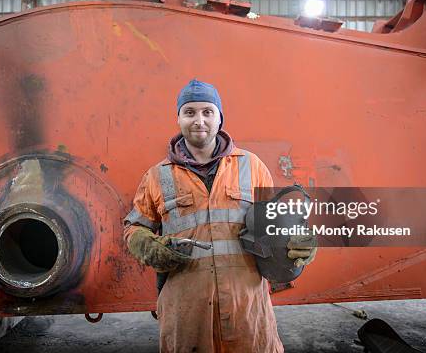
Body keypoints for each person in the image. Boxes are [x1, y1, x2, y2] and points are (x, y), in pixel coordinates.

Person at [123, 79, 317, 352]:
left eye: (207, 112)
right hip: (186, 309)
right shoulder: (157, 175)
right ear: (178, 118)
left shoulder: (252, 166)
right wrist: (147, 245)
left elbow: (278, 223)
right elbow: (134, 228)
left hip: (245, 306)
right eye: (189, 112)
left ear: (219, 118)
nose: (199, 120)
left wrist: (302, 243)